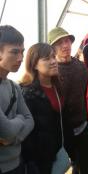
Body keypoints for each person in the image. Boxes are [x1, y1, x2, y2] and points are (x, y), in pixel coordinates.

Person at [48, 27, 88, 174]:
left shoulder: (81, 67)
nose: (65, 45)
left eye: (67, 41)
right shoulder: (51, 72)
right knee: (74, 167)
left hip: (84, 129)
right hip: (63, 134)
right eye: (59, 43)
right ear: (52, 48)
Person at [20, 42, 66, 174]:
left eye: (53, 57)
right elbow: (27, 134)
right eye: (47, 59)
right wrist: (31, 162)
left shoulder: (57, 86)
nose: (53, 61)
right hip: (39, 160)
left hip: (57, 151)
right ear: (34, 65)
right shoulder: (28, 93)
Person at [0, 25, 34, 174]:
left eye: (22, 52)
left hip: (16, 164)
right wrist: (20, 119)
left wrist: (13, 139)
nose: (20, 58)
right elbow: (6, 131)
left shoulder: (14, 86)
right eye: (14, 52)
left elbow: (30, 121)